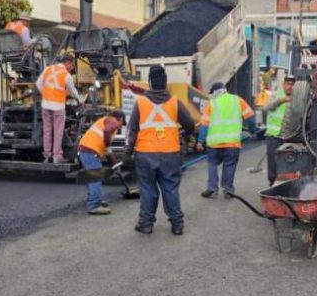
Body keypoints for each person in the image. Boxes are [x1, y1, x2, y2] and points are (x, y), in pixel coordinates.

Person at [125, 65, 195, 235]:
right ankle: (177, 224)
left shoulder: (141, 102)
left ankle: (146, 224)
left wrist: (127, 152)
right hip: (170, 154)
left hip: (145, 153)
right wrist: (182, 135)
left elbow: (131, 130)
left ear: (150, 83)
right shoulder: (175, 102)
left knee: (148, 189)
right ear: (165, 83)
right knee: (170, 188)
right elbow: (190, 125)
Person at [196, 82, 255, 199]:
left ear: (215, 92)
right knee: (229, 165)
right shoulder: (237, 100)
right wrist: (252, 130)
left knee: (212, 164)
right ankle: (228, 190)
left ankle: (212, 188)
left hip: (214, 143)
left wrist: (200, 141)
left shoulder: (212, 103)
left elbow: (204, 125)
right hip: (232, 142)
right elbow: (250, 117)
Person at [78, 111, 127, 215]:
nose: (120, 127)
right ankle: (94, 205)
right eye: (122, 124)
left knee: (91, 177)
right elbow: (107, 133)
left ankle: (94, 199)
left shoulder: (104, 122)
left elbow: (106, 149)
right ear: (121, 119)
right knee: (96, 177)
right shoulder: (112, 120)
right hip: (89, 150)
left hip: (87, 149)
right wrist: (107, 144)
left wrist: (114, 164)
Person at [35, 54, 81, 164]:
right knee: (58, 131)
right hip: (58, 107)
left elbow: (38, 83)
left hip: (45, 105)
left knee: (47, 131)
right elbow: (73, 91)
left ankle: (47, 155)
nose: (72, 67)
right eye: (72, 65)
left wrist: (45, 94)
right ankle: (57, 156)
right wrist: (79, 101)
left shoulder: (48, 69)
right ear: (68, 63)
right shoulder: (66, 75)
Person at [263, 75, 295, 186]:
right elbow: (266, 107)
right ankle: (272, 182)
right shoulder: (276, 95)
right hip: (274, 135)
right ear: (283, 84)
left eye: (292, 84)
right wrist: (281, 100)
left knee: (288, 160)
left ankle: (285, 183)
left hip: (289, 136)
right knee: (273, 160)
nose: (290, 87)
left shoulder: (297, 97)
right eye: (288, 84)